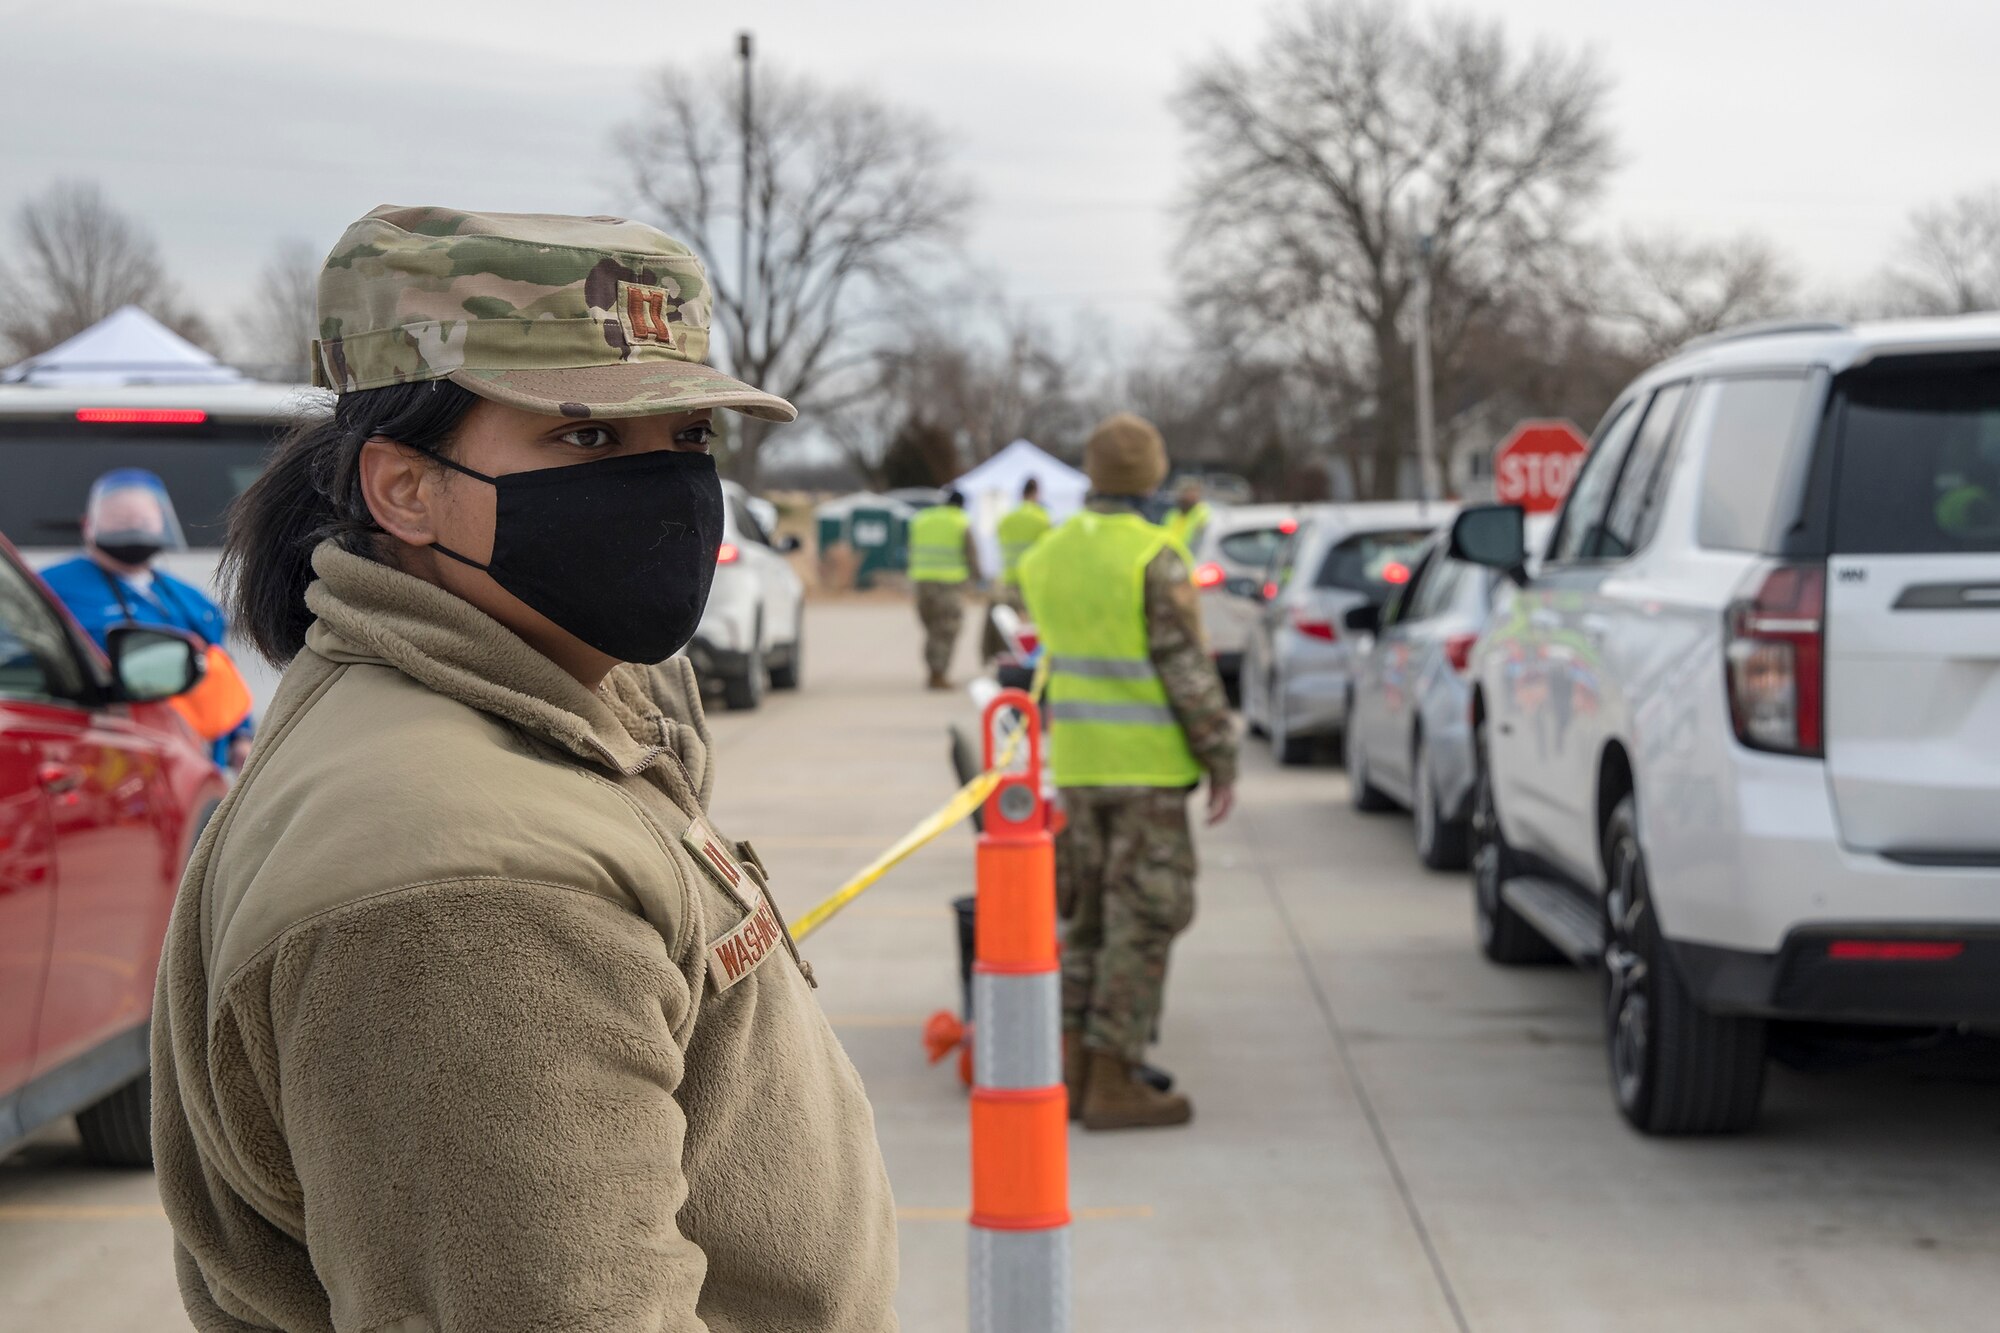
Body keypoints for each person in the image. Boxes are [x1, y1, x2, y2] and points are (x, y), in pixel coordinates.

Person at [150, 206, 897, 1332]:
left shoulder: (538, 715)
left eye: (687, 437)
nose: (664, 493)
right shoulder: (466, 888)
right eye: (587, 440)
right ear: (403, 488)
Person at [1019, 413, 1237, 1131]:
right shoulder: (1156, 556)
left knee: (1084, 922)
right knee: (1142, 920)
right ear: (1152, 478)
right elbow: (1187, 672)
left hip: (1078, 768)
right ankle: (1114, 1078)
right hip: (1147, 774)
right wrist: (1221, 755)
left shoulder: (1047, 556)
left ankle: (1078, 1069)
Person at [40, 469, 253, 768]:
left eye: (141, 518)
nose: (133, 526)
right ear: (88, 524)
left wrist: (239, 737)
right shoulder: (52, 589)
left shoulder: (187, 598)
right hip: (110, 761)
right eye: (120, 517)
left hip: (197, 764)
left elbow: (219, 669)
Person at [907, 488, 978, 688]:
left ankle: (933, 670)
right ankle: (938, 673)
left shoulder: (922, 519)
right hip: (948, 584)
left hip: (922, 582)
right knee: (946, 629)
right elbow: (971, 553)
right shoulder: (960, 521)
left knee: (931, 629)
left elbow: (911, 548)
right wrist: (977, 580)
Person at [985, 475, 1050, 658]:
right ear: (1036, 492)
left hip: (1008, 579)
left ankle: (1009, 660)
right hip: (1031, 581)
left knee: (1009, 628)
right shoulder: (1042, 518)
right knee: (1030, 627)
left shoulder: (1007, 518)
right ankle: (1029, 663)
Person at [1162, 477, 1212, 551]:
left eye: (1192, 493)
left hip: (1189, 557)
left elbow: (1202, 542)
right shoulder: (1172, 513)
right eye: (1184, 492)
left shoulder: (1202, 514)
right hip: (1171, 552)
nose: (1187, 497)